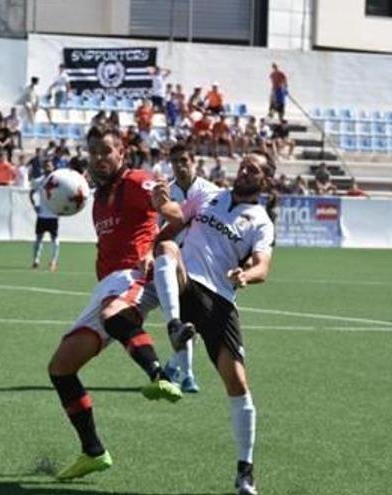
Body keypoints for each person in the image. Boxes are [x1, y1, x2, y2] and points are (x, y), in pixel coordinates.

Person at [47, 127, 187, 481]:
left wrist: (156, 232)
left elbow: (174, 214)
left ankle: (160, 375)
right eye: (93, 151)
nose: (98, 157)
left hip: (132, 275)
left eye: (105, 150)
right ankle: (93, 451)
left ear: (121, 152)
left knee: (114, 313)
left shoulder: (137, 181)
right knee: (61, 368)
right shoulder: (97, 199)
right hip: (106, 285)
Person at [153, 151, 277, 495]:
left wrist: (245, 275)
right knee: (165, 248)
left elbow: (263, 266)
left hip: (220, 298)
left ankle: (245, 471)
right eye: (245, 164)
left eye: (254, 168)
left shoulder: (260, 221)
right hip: (186, 282)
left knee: (237, 383)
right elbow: (177, 218)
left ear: (264, 180)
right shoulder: (210, 195)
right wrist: (161, 204)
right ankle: (175, 326)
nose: (246, 169)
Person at [159, 144, 220, 394]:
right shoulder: (165, 194)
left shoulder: (211, 192)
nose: (180, 165)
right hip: (175, 259)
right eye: (174, 161)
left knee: (196, 321)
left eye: (184, 160)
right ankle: (188, 376)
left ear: (194, 160)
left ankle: (173, 366)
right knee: (187, 319)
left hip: (204, 262)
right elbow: (156, 226)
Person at [29, 160, 61, 271]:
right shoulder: (40, 181)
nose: (48, 167)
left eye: (49, 165)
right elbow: (31, 192)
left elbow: (64, 195)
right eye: (46, 166)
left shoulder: (58, 181)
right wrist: (34, 205)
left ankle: (53, 261)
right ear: (43, 168)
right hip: (42, 215)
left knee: (54, 239)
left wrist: (61, 209)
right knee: (38, 238)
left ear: (53, 167)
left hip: (53, 216)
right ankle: (36, 260)